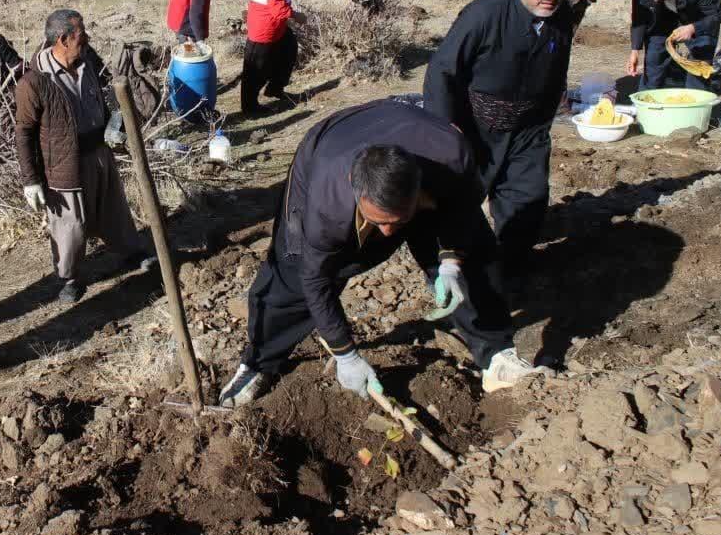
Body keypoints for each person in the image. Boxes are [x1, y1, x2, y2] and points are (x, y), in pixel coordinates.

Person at [218, 100, 544, 408]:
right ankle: (259, 362)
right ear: (356, 193)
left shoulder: (451, 156)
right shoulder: (325, 210)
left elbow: (461, 210)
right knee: (292, 274)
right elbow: (315, 280)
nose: (389, 235)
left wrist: (450, 261)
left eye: (398, 222)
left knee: (474, 255)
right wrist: (346, 354)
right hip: (327, 148)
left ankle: (496, 354)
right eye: (378, 223)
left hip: (405, 141)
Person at [423, 0, 574, 293]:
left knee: (529, 198)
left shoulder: (562, 16)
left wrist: (547, 116)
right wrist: (447, 129)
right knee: (458, 203)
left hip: (529, 127)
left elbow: (557, 66)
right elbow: (442, 71)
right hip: (475, 125)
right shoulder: (483, 15)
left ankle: (509, 273)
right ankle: (448, 276)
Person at [15, 10, 153, 304]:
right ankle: (70, 278)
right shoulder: (34, 82)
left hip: (99, 152)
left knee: (114, 209)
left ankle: (130, 253)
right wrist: (31, 180)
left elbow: (109, 92)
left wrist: (116, 121)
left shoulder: (88, 61)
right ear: (63, 39)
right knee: (70, 226)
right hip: (63, 163)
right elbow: (24, 132)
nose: (87, 37)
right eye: (81, 33)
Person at [241, 0, 318, 116]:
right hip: (264, 26)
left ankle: (275, 88)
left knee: (289, 48)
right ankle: (250, 109)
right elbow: (277, 7)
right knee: (256, 69)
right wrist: (298, 16)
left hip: (276, 25)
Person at [627, 0, 721, 91]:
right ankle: (647, 98)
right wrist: (635, 51)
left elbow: (716, 16)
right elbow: (639, 20)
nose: (655, 0)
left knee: (699, 63)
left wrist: (692, 27)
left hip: (696, 18)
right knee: (654, 58)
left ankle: (694, 101)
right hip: (664, 17)